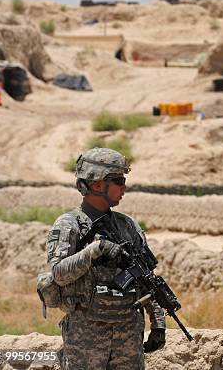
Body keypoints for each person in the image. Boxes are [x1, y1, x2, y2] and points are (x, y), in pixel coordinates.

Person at [45, 148, 166, 369]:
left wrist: (158, 323)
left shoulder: (127, 226)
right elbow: (59, 274)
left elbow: (148, 279)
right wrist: (94, 250)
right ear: (98, 184)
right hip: (86, 337)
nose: (124, 187)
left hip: (127, 337)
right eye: (119, 181)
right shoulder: (69, 225)